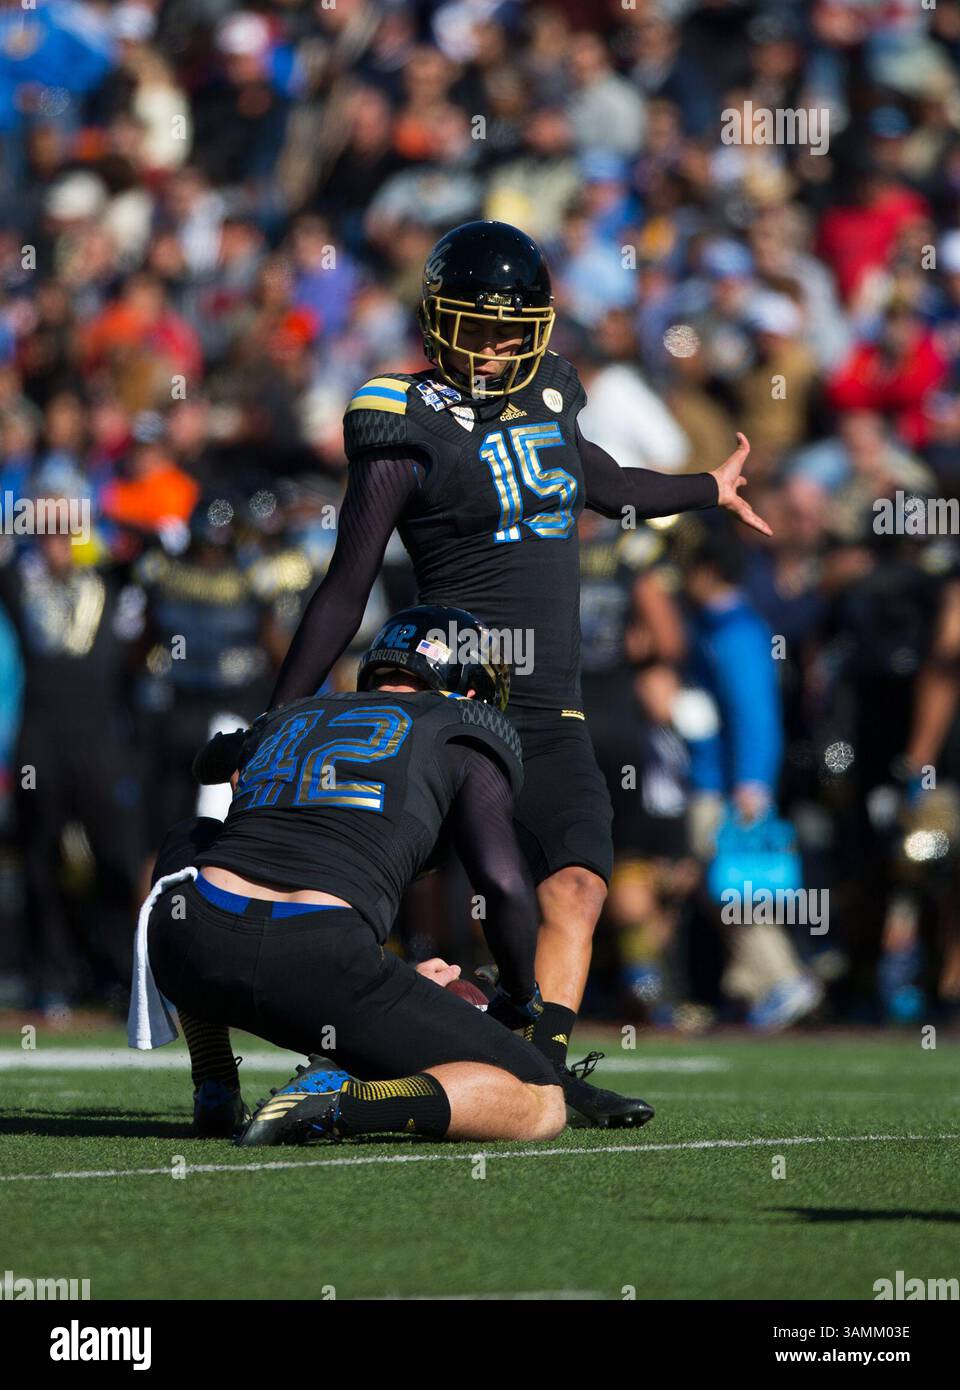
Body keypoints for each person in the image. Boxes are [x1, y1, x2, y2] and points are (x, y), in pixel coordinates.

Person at [207, 220, 769, 1125]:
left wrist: (706, 488)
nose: (500, 347)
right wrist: (281, 719)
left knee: (578, 887)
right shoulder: (404, 420)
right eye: (479, 327)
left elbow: (604, 480)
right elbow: (345, 586)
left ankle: (537, 1073)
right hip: (448, 707)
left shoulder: (550, 390)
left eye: (515, 329)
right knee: (356, 884)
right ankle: (322, 1059)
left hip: (550, 707)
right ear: (437, 322)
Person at [137, 604, 625, 1147]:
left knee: (191, 837)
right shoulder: (464, 726)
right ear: (468, 688)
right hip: (313, 961)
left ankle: (213, 1076)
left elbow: (210, 760)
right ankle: (342, 1103)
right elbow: (503, 883)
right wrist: (520, 995)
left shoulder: (292, 714)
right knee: (539, 1101)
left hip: (190, 946)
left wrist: (263, 749)